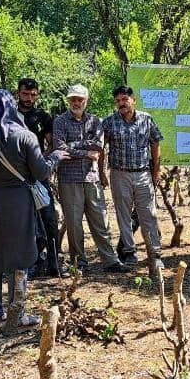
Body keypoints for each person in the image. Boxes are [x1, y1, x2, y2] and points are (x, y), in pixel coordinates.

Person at [0, 88, 65, 329]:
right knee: (21, 257)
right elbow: (42, 171)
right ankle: (18, 312)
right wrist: (55, 156)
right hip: (20, 204)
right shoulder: (25, 137)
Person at [52, 84, 130, 274]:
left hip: (92, 177)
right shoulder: (60, 121)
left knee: (100, 220)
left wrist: (76, 148)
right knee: (74, 223)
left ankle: (110, 260)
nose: (76, 102)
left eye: (80, 99)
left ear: (86, 101)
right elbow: (60, 147)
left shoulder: (95, 121)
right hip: (69, 179)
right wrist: (86, 152)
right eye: (73, 99)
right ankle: (79, 263)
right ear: (68, 101)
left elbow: (98, 146)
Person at [102, 85, 165, 270]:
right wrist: (101, 172)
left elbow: (155, 143)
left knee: (149, 215)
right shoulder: (109, 122)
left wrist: (156, 170)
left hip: (143, 173)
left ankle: (155, 254)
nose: (121, 104)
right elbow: (101, 148)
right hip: (119, 173)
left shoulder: (146, 119)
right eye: (118, 101)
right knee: (123, 215)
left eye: (125, 100)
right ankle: (129, 252)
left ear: (133, 100)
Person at [17, 76, 68, 279]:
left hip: (38, 176)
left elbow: (51, 144)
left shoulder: (43, 116)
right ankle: (30, 263)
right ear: (18, 93)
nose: (28, 98)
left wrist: (39, 161)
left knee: (48, 218)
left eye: (32, 94)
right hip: (17, 178)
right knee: (24, 222)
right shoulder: (9, 116)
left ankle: (54, 263)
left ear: (37, 95)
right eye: (25, 94)